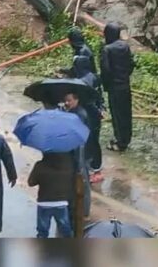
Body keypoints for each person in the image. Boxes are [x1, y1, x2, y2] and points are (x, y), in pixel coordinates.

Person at [99, 22, 136, 152]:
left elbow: (106, 70)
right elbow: (131, 64)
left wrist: (106, 84)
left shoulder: (107, 49)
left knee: (117, 115)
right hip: (125, 85)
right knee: (126, 113)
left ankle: (120, 142)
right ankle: (126, 138)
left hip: (114, 87)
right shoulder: (125, 46)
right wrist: (125, 76)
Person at [68, 54, 105, 183]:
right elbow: (100, 96)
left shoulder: (82, 82)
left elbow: (86, 102)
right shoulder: (94, 77)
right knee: (95, 142)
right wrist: (101, 110)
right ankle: (96, 169)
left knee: (90, 143)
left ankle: (94, 170)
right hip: (96, 115)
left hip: (89, 116)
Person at [62, 93, 91, 230]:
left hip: (81, 154)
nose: (67, 103)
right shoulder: (72, 112)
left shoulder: (80, 115)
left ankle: (84, 212)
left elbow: (79, 141)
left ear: (77, 100)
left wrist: (78, 164)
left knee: (83, 182)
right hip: (76, 153)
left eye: (69, 100)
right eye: (65, 101)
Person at [28, 152, 75, 238]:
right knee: (66, 232)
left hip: (44, 203)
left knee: (42, 232)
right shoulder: (67, 166)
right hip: (61, 203)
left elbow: (31, 182)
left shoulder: (40, 165)